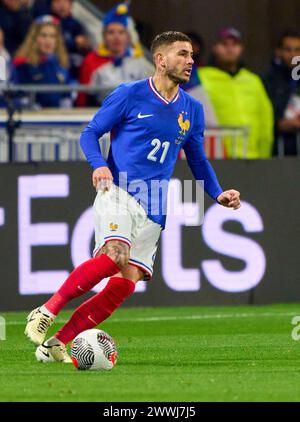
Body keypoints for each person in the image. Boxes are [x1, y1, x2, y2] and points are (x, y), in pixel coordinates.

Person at [24, 31, 241, 363]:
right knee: (115, 255)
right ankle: (47, 309)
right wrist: (99, 165)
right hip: (120, 189)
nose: (190, 61)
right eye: (182, 54)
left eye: (192, 55)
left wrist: (217, 193)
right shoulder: (130, 94)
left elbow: (197, 160)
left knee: (125, 283)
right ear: (160, 59)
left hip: (155, 204)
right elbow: (90, 132)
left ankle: (56, 342)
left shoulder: (192, 109)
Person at [199, 28, 274, 158]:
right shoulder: (201, 78)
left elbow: (265, 119)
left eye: (235, 44)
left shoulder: (253, 81)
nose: (230, 49)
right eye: (224, 44)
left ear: (241, 49)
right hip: (215, 157)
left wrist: (263, 155)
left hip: (251, 158)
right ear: (215, 48)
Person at [77, 1, 154, 106]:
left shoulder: (138, 61)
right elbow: (84, 98)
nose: (116, 37)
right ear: (104, 37)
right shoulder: (91, 61)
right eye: (111, 32)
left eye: (121, 32)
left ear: (128, 37)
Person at [11, 15, 71, 108]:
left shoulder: (62, 63)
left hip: (58, 118)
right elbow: (16, 96)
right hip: (33, 119)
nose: (48, 40)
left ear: (57, 40)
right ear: (34, 38)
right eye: (43, 35)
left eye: (52, 36)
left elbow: (66, 96)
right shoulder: (22, 64)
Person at [263, 30, 300, 156]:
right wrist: (278, 124)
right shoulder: (267, 80)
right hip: (277, 149)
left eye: (297, 50)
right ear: (278, 52)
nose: (293, 55)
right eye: (288, 50)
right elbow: (262, 112)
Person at [50, 0, 91, 80]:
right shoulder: (47, 22)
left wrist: (83, 45)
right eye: (58, 1)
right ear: (51, 4)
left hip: (72, 67)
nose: (62, 5)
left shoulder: (77, 24)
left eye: (65, 1)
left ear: (71, 4)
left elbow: (87, 49)